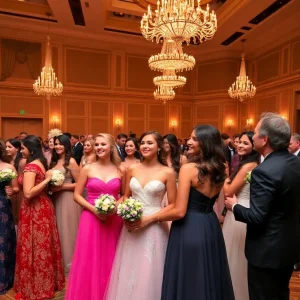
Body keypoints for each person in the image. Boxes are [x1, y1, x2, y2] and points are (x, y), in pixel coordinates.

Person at [153, 125, 234, 300]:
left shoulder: (189, 169)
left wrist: (154, 218)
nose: (188, 142)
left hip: (188, 227)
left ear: (206, 143)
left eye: (194, 139)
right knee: (208, 275)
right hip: (210, 226)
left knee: (189, 278)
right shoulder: (222, 166)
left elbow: (180, 211)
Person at [225, 113, 300, 300]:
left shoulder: (264, 171)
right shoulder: (295, 162)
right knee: (281, 293)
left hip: (266, 252)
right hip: (289, 247)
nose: (253, 136)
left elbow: (256, 217)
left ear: (264, 139)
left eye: (256, 133)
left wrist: (234, 206)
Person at [105, 131, 177, 300]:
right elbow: (126, 196)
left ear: (159, 147)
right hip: (132, 224)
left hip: (155, 225)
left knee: (150, 268)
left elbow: (173, 204)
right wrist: (114, 208)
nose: (145, 146)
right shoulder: (132, 169)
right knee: (130, 267)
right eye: (143, 143)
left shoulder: (168, 172)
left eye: (150, 143)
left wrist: (150, 219)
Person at [66, 133, 125, 300]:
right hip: (91, 218)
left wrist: (114, 207)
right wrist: (94, 210)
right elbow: (77, 195)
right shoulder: (87, 168)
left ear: (111, 147)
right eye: (97, 144)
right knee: (89, 259)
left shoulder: (121, 170)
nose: (99, 147)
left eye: (103, 144)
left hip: (114, 219)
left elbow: (125, 195)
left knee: (112, 258)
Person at [14, 135, 64, 299]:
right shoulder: (42, 164)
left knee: (35, 246)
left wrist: (47, 180)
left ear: (31, 149)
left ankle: (35, 286)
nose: (21, 151)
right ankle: (46, 283)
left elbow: (28, 193)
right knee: (42, 246)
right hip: (44, 207)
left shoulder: (31, 167)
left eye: (23, 148)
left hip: (34, 209)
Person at [222, 131, 259, 300]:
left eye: (245, 143)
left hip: (240, 212)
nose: (240, 146)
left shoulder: (248, 166)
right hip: (235, 211)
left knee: (237, 258)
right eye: (239, 142)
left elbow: (228, 191)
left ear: (254, 146)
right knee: (232, 256)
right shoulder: (246, 163)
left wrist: (224, 174)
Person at [49, 135, 82, 274]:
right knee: (57, 229)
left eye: (60, 144)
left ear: (66, 146)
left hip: (68, 199)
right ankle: (58, 262)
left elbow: (80, 183)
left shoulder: (72, 161)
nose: (57, 146)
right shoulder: (53, 161)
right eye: (56, 144)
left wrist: (62, 187)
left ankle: (70, 263)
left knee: (67, 229)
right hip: (55, 198)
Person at [0, 140, 19, 294]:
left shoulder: (8, 167)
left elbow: (16, 187)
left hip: (2, 208)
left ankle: (5, 279)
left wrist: (13, 191)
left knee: (4, 242)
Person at [5, 139, 26, 225]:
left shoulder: (22, 162)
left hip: (20, 193)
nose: (7, 149)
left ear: (17, 148)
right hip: (9, 192)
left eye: (9, 147)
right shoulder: (6, 161)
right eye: (6, 147)